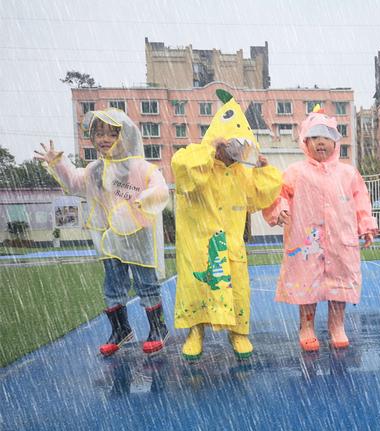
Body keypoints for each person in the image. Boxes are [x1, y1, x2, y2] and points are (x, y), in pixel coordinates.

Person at [34, 108, 170, 356]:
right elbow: (74, 183)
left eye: (111, 133)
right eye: (98, 133)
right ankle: (121, 330)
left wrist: (146, 198)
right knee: (113, 286)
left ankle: (158, 328)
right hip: (108, 238)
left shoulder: (139, 167)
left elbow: (159, 188)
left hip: (137, 236)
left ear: (125, 135)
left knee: (146, 284)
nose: (103, 139)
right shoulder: (94, 169)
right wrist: (58, 164)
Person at [172, 89, 282, 361]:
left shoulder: (241, 173)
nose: (232, 153)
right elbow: (182, 168)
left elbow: (261, 196)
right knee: (197, 286)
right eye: (229, 145)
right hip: (199, 244)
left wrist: (262, 168)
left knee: (238, 290)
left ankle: (239, 333)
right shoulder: (196, 160)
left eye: (238, 147)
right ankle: (195, 332)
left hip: (231, 243)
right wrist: (210, 148)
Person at [263, 106, 378, 352]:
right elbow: (279, 193)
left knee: (339, 284)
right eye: (314, 138)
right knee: (307, 285)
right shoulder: (295, 172)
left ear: (335, 142)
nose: (320, 143)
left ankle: (337, 325)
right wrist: (279, 209)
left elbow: (361, 201)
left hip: (340, 240)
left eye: (326, 137)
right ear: (305, 142)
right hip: (307, 241)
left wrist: (366, 225)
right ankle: (307, 327)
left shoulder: (348, 173)